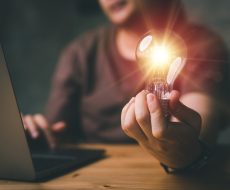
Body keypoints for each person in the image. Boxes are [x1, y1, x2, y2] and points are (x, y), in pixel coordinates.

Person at [23, 0, 229, 170]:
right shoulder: (81, 53)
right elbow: (58, 132)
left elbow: (201, 119)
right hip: (98, 173)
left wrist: (183, 147)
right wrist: (34, 134)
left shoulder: (202, 45)